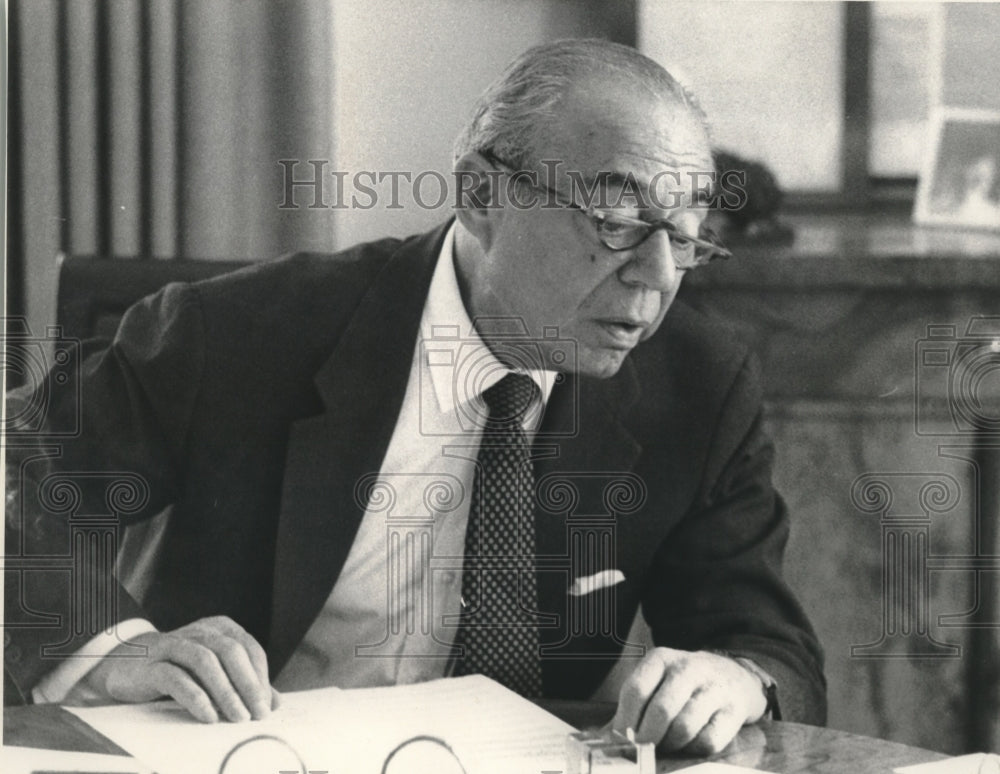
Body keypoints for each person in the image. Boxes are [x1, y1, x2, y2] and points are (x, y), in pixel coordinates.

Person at [4, 39, 825, 754]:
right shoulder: (243, 334)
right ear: (481, 195)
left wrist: (735, 678)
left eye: (684, 238)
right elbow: (18, 481)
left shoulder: (699, 387)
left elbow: (765, 643)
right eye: (616, 219)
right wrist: (112, 650)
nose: (655, 278)